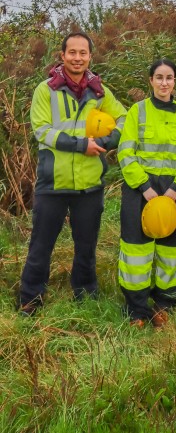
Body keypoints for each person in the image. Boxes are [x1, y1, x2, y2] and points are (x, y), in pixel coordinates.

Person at [19, 32, 126, 314]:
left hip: (89, 183)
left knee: (87, 245)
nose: (77, 58)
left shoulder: (99, 90)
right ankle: (30, 299)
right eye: (72, 53)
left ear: (90, 56)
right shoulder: (46, 90)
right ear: (62, 55)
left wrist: (104, 142)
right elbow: (42, 131)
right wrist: (82, 145)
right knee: (41, 244)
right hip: (53, 181)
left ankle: (85, 295)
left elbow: (124, 118)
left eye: (83, 53)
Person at [117, 58, 176, 327]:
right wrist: (145, 188)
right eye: (159, 77)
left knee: (171, 251)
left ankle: (164, 305)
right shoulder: (136, 112)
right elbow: (126, 153)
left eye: (170, 78)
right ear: (150, 80)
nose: (165, 83)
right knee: (137, 252)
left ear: (175, 82)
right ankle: (137, 310)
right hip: (140, 190)